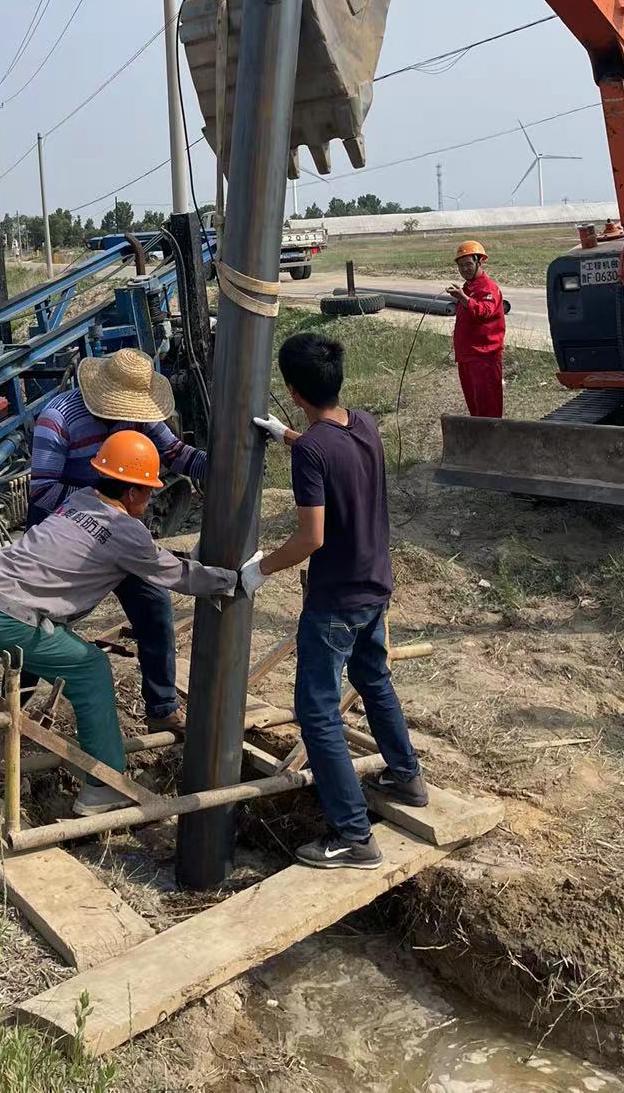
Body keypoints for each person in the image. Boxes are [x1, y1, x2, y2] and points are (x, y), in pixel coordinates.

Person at [0, 430, 238, 814]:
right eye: (149, 491)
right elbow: (178, 576)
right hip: (5, 615)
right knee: (91, 669)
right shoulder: (125, 530)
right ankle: (104, 785)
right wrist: (233, 579)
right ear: (133, 493)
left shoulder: (78, 500)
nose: (150, 500)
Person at [250, 332, 426, 870]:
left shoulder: (311, 453)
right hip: (376, 584)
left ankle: (353, 836)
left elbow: (311, 537)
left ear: (292, 389)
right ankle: (406, 776)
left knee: (317, 713)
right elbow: (328, 451)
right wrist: (288, 436)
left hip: (336, 601)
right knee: (374, 679)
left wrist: (260, 569)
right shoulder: (365, 424)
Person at [27, 347, 207, 736]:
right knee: (39, 623)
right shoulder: (58, 420)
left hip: (119, 530)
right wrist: (103, 505)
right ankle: (13, 708)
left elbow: (175, 454)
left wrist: (221, 464)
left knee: (155, 607)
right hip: (64, 535)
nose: (131, 420)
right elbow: (42, 491)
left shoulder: (139, 418)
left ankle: (161, 708)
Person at [447, 239, 505, 418]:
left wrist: (463, 298)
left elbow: (483, 312)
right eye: (461, 266)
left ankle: (493, 441)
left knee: (488, 408)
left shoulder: (488, 288)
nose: (464, 269)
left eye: (468, 264)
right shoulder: (468, 288)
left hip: (484, 357)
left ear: (479, 262)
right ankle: (481, 441)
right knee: (475, 407)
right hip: (467, 357)